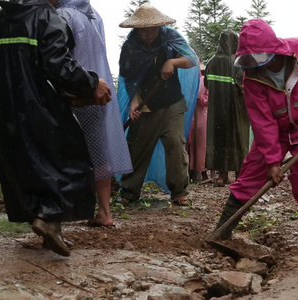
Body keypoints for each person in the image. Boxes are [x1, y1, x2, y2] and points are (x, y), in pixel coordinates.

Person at [0, 0, 112, 256]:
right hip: (39, 109)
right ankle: (49, 219)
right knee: (68, 161)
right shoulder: (46, 18)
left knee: (27, 167)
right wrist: (92, 83)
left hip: (3, 113)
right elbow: (59, 67)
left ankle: (50, 226)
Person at [214, 19, 298, 249]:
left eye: (259, 58)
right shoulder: (252, 78)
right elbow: (263, 123)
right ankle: (223, 229)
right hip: (276, 130)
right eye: (250, 59)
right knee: (251, 174)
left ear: (274, 49)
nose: (256, 65)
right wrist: (272, 161)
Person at [55, 0, 133, 227]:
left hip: (73, 93)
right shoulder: (93, 15)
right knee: (99, 153)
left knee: (62, 153)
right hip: (100, 91)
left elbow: (59, 58)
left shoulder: (61, 15)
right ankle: (105, 212)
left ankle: (60, 212)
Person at [117, 4, 200, 206]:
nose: (146, 35)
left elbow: (190, 59)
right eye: (142, 30)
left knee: (174, 143)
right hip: (147, 105)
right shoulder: (130, 48)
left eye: (151, 29)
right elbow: (129, 78)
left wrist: (172, 62)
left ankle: (179, 191)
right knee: (138, 148)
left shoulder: (170, 37)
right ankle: (129, 192)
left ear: (159, 26)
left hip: (172, 102)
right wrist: (135, 100)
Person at [204, 29, 250, 186]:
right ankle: (239, 176)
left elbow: (206, 84)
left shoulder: (211, 62)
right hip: (236, 110)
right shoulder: (237, 62)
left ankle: (222, 177)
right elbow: (243, 86)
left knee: (219, 141)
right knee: (238, 141)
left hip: (217, 111)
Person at [188, 64, 209, 183]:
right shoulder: (186, 81)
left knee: (200, 146)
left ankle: (199, 172)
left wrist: (200, 97)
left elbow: (208, 100)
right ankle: (189, 172)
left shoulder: (204, 82)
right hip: (189, 117)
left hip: (201, 117)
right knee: (188, 145)